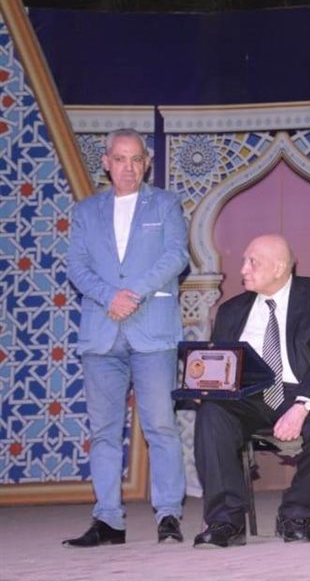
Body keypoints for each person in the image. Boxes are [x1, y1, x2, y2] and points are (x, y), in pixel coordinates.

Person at [64, 128, 190, 547]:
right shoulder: (86, 212)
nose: (129, 167)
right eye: (120, 159)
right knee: (103, 431)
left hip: (153, 333)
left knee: (161, 426)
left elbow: (176, 256)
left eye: (136, 159)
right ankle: (108, 520)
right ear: (106, 163)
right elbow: (77, 267)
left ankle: (168, 514)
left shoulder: (166, 204)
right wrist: (109, 297)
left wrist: (130, 294)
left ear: (147, 163)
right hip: (101, 336)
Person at [192, 234, 310, 547]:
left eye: (252, 262)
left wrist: (302, 405)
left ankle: (296, 512)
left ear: (280, 267)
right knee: (212, 413)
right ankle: (226, 521)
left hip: (305, 390)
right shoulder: (230, 310)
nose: (243, 269)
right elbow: (222, 362)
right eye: (244, 261)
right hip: (250, 397)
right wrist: (206, 386)